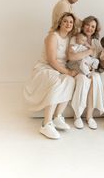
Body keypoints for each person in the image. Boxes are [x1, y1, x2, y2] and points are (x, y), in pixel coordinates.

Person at [24, 12, 77, 140]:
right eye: (65, 21)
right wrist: (68, 72)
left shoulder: (70, 39)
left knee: (70, 81)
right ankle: (46, 123)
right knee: (57, 81)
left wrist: (70, 73)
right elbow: (52, 60)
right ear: (60, 22)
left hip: (59, 70)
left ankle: (58, 116)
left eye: (71, 22)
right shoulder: (53, 36)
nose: (68, 24)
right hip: (45, 68)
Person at [68, 16, 104, 130]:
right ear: (83, 25)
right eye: (88, 25)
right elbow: (72, 57)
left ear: (96, 29)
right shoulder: (75, 38)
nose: (90, 28)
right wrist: (89, 51)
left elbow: (97, 59)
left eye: (93, 26)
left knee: (96, 78)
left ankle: (90, 116)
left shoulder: (96, 42)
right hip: (76, 67)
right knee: (83, 79)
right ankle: (77, 115)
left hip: (90, 69)